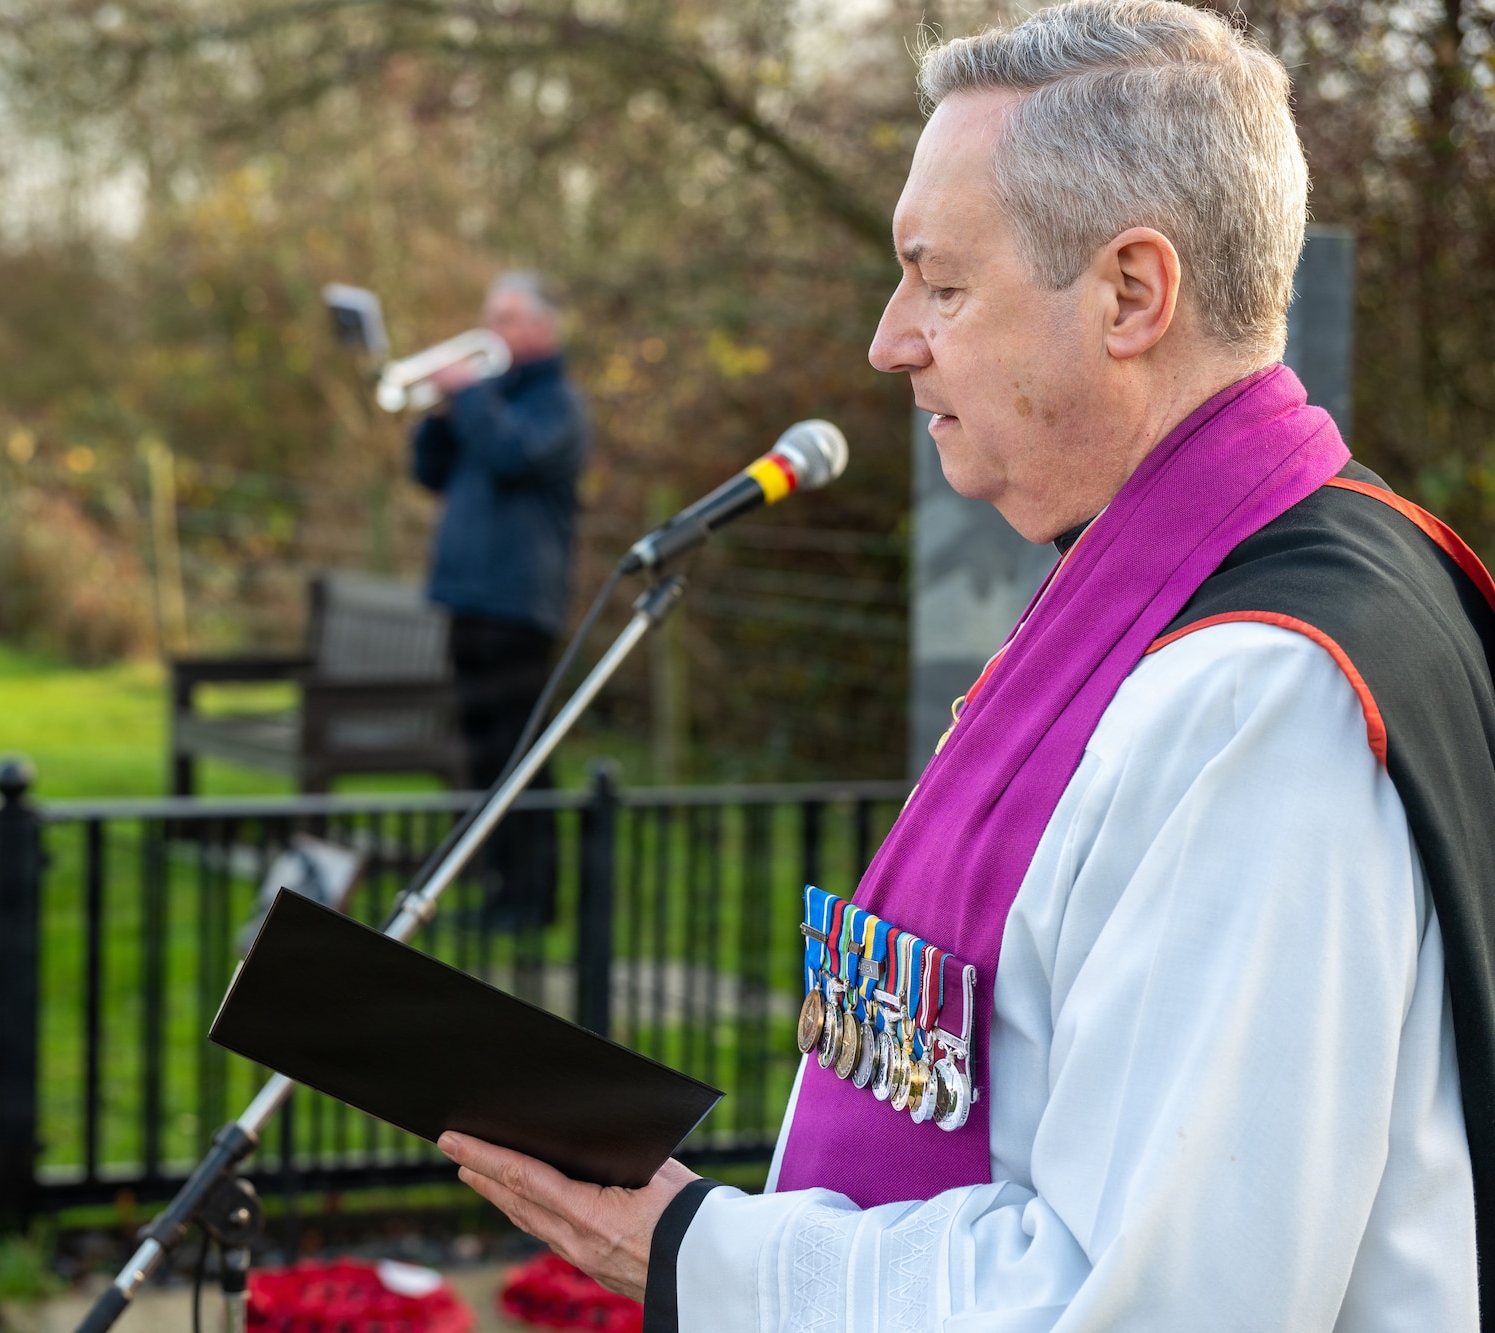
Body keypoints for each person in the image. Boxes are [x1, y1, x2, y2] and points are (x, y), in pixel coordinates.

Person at [436, 3, 1494, 1327]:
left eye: (941, 281)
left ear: (1131, 294)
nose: (891, 339)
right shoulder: (1316, 552)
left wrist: (697, 1250)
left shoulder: (1252, 693)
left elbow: (1148, 1301)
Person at [411, 272, 588, 928]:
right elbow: (430, 472)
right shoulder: (489, 400)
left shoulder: (556, 405)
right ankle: (498, 888)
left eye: (508, 317)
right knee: (482, 756)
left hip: (518, 606)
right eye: (490, 315)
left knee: (521, 760)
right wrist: (438, 411)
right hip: (465, 599)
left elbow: (514, 457)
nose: (494, 329)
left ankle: (532, 898)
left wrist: (470, 396)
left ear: (544, 328)